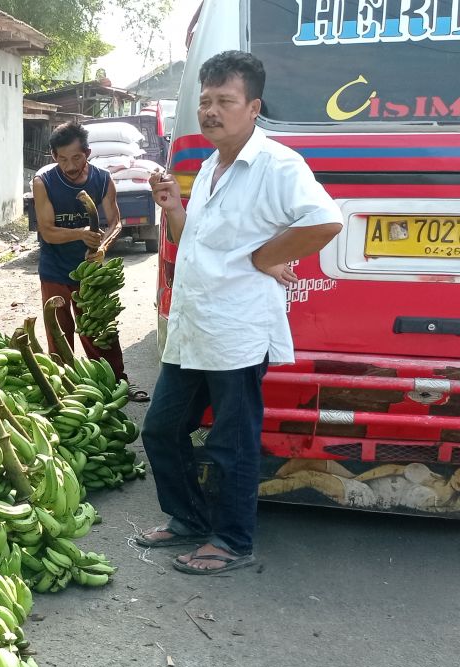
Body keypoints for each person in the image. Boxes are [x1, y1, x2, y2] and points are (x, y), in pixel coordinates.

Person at [137, 51, 342, 575]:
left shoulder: (276, 164)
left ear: (253, 107)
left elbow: (325, 221)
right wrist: (173, 209)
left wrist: (263, 257)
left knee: (231, 440)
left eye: (224, 101)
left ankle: (231, 540)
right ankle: (187, 519)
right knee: (161, 429)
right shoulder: (209, 165)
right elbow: (196, 240)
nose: (210, 110)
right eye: (205, 101)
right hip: (194, 326)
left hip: (236, 329)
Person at [32, 121, 149, 402]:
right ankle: (64, 387)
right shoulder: (43, 182)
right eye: (62, 159)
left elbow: (116, 222)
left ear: (88, 152)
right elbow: (47, 230)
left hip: (90, 272)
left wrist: (103, 246)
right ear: (53, 157)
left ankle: (117, 382)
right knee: (59, 333)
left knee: (98, 329)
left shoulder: (102, 179)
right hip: (55, 269)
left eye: (76, 157)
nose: (69, 165)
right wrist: (81, 234)